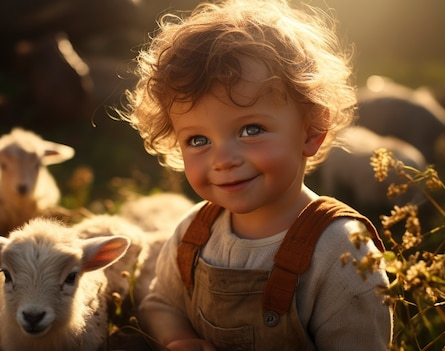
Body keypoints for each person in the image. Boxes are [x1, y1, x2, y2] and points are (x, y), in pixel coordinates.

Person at [118, 0, 393, 350]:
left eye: (251, 130)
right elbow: (160, 303)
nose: (223, 159)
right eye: (198, 139)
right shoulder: (194, 233)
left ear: (311, 130)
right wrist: (178, 339)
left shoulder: (341, 252)